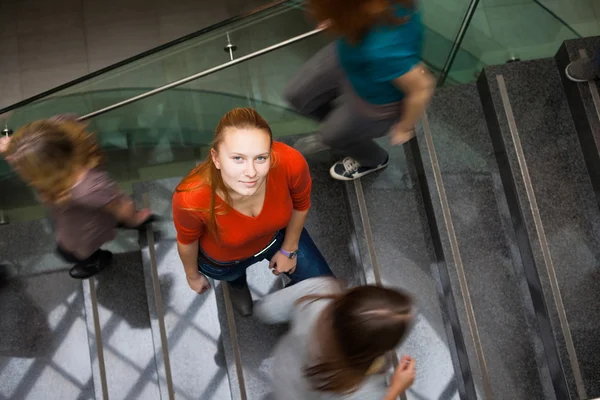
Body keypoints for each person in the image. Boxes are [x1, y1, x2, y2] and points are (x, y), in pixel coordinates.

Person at [172, 108, 334, 317]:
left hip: (277, 236)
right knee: (233, 276)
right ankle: (237, 285)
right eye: (238, 158)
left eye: (260, 158)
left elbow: (301, 205)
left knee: (325, 291)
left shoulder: (289, 163)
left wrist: (288, 250)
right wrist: (192, 276)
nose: (251, 172)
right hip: (226, 262)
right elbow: (187, 242)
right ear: (216, 158)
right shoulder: (192, 197)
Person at [285, 0, 435, 181]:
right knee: (297, 95)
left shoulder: (385, 50)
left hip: (374, 101)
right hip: (350, 53)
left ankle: (373, 159)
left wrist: (405, 127)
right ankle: (340, 130)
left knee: (333, 136)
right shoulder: (367, 13)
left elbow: (422, 87)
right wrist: (340, 18)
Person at [0, 115, 153, 279]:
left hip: (84, 229)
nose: (18, 169)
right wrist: (14, 147)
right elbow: (46, 138)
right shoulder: (61, 134)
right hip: (84, 213)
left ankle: (94, 261)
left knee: (70, 253)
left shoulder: (86, 188)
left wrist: (135, 220)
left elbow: (121, 206)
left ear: (46, 169)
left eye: (20, 166)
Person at [255, 277, 416, 399]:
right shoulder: (362, 387)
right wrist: (395, 389)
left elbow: (267, 310)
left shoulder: (318, 290)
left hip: (285, 376)